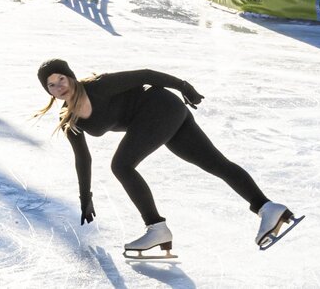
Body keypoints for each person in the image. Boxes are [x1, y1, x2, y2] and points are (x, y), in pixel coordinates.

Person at [35, 58, 299, 257]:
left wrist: (185, 87)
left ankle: (156, 227)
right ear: (48, 91)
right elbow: (83, 159)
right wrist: (85, 198)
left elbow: (146, 75)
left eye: (61, 79)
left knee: (122, 165)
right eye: (51, 85)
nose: (59, 86)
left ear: (70, 76)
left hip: (160, 106)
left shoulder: (99, 86)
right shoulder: (69, 119)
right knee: (215, 163)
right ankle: (268, 207)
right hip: (158, 118)